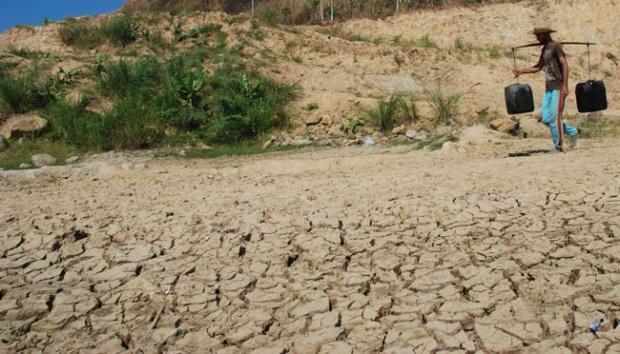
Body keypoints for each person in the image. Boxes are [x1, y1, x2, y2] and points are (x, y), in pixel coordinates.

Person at [513, 27, 578, 152]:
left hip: (558, 86)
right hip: (549, 88)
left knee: (555, 117)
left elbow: (564, 64)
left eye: (538, 35)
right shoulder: (545, 49)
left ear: (545, 35)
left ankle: (558, 146)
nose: (537, 38)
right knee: (546, 119)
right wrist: (521, 71)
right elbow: (538, 67)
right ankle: (572, 131)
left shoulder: (556, 46)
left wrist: (565, 85)